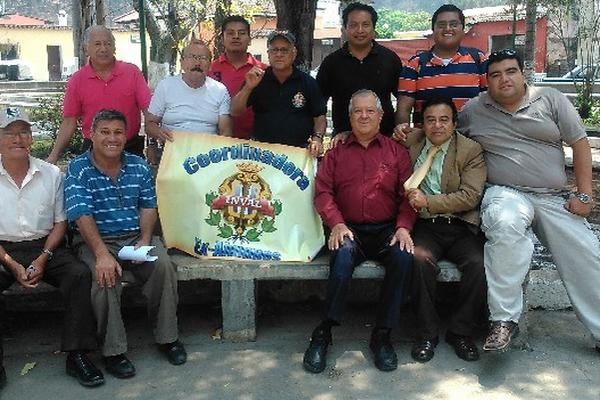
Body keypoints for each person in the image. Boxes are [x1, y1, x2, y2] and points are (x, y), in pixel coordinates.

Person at [458, 49, 600, 353]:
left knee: (586, 252)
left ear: (523, 74)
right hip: (505, 192)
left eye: (510, 71)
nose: (503, 79)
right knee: (504, 224)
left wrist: (584, 194)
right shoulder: (472, 110)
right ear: (486, 81)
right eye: (495, 75)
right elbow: (445, 138)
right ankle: (503, 321)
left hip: (552, 197)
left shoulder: (550, 98)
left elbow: (580, 143)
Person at [64, 109, 186, 379]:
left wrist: (143, 241)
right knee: (103, 278)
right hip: (97, 240)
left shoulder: (138, 165)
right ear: (92, 135)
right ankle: (114, 351)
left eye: (118, 132)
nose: (112, 138)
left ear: (126, 135)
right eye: (105, 132)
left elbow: (148, 205)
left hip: (133, 236)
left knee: (163, 266)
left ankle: (168, 339)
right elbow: (81, 214)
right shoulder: (78, 168)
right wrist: (101, 255)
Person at [302, 90, 415, 373]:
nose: (364, 116)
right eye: (357, 111)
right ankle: (324, 332)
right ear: (349, 117)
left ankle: (382, 335)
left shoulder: (397, 153)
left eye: (369, 111)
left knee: (403, 257)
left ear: (380, 116)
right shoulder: (336, 153)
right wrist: (336, 223)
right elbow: (323, 192)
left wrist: (403, 227)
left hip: (386, 228)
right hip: (349, 228)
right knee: (341, 257)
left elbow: (410, 196)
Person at [0, 107, 103, 388]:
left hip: (47, 246)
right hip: (3, 249)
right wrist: (11, 263)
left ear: (32, 139)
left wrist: (43, 258)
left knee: (79, 274)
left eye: (23, 132)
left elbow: (60, 222)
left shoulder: (51, 174)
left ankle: (78, 355)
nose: (18, 139)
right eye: (9, 133)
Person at [405, 98, 486, 363]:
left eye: (443, 120)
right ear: (422, 123)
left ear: (454, 123)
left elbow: (470, 196)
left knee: (478, 264)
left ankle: (460, 332)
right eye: (430, 120)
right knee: (419, 259)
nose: (437, 126)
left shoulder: (470, 150)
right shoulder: (411, 142)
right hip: (426, 226)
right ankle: (427, 334)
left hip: (460, 224)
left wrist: (429, 201)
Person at [47, 26, 152, 162]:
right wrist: (54, 155)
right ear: (86, 48)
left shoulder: (132, 72)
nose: (103, 49)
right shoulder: (78, 80)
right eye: (97, 44)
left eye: (108, 44)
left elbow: (149, 111)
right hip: (93, 151)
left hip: (129, 148)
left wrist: (154, 143)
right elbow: (69, 121)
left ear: (114, 48)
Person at [231, 31, 326, 156]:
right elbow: (235, 111)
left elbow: (319, 116)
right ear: (268, 54)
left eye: (284, 50)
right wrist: (248, 87)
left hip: (297, 153)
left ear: (294, 53)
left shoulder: (307, 82)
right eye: (274, 50)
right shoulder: (257, 78)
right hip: (262, 152)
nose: (279, 54)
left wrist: (317, 138)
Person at [396, 4, 487, 132]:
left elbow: (490, 101)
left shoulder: (479, 59)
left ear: (463, 29)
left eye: (454, 24)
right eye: (441, 25)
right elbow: (403, 110)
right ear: (433, 29)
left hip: (471, 144)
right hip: (428, 144)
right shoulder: (415, 65)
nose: (447, 29)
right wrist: (405, 137)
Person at [316, 2, 403, 137]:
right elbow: (318, 105)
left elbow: (403, 100)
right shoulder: (331, 63)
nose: (360, 30)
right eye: (353, 25)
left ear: (373, 28)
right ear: (345, 28)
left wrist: (398, 128)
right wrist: (318, 136)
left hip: (384, 141)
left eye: (366, 25)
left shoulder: (390, 59)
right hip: (344, 141)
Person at [145, 39, 233, 143]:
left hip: (207, 153)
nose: (197, 63)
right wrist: (159, 133)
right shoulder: (165, 86)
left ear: (210, 65)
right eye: (192, 57)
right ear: (182, 62)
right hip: (172, 148)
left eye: (203, 58)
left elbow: (225, 132)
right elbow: (149, 124)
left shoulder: (219, 90)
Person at [209, 15, 267, 139]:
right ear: (222, 39)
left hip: (255, 143)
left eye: (241, 33)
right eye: (230, 33)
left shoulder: (263, 71)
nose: (236, 36)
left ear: (249, 39)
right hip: (215, 139)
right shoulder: (209, 69)